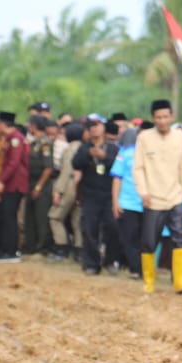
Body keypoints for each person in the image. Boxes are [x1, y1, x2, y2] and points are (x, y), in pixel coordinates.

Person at [133, 99, 182, 294]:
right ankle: (149, 282)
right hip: (153, 199)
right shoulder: (144, 138)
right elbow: (138, 168)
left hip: (175, 197)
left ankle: (179, 281)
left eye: (166, 117)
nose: (162, 121)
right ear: (153, 118)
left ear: (172, 116)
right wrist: (143, 192)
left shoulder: (181, 138)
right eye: (158, 118)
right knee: (149, 242)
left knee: (180, 238)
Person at [75, 117, 120, 275]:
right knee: (89, 229)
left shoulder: (113, 148)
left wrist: (104, 158)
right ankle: (91, 263)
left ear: (103, 127)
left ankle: (110, 260)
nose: (94, 129)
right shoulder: (84, 147)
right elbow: (75, 163)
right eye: (91, 126)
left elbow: (118, 167)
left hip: (109, 195)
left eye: (97, 125)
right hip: (90, 195)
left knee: (113, 227)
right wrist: (89, 154)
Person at [0, 110, 28, 263]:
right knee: (5, 217)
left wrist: (1, 181)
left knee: (10, 218)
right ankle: (4, 250)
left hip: (14, 184)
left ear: (2, 124)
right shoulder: (8, 139)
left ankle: (11, 252)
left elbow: (13, 163)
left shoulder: (15, 139)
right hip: (9, 184)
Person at [110, 126, 143, 276]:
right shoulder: (125, 153)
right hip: (128, 202)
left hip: (149, 203)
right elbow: (117, 178)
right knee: (129, 237)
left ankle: (143, 267)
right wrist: (115, 202)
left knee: (146, 238)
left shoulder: (156, 155)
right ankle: (136, 269)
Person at [48, 122, 83, 262]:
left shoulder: (70, 150)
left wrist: (58, 191)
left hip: (69, 186)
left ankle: (61, 248)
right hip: (81, 187)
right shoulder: (83, 147)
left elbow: (66, 172)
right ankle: (79, 250)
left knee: (55, 216)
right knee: (77, 219)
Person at [23, 114, 56, 256]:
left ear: (34, 126)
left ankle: (42, 247)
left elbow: (48, 168)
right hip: (30, 182)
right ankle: (30, 246)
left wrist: (38, 187)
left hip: (41, 184)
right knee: (29, 216)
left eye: (29, 124)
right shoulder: (34, 142)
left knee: (41, 216)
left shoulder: (45, 143)